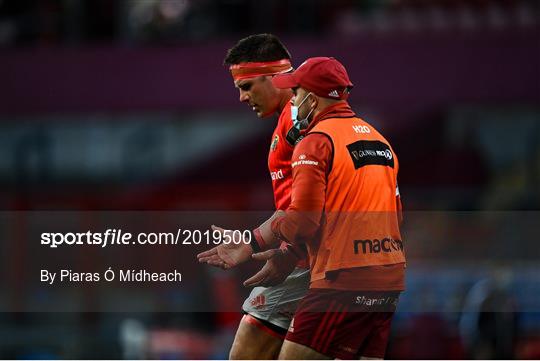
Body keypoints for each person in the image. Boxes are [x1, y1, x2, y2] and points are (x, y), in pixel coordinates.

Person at [203, 57, 407, 359]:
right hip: (390, 279)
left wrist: (254, 241)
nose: (293, 101)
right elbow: (396, 215)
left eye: (296, 93)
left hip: (342, 280)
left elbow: (303, 221)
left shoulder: (315, 142)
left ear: (312, 100)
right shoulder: (380, 141)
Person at [197, 34, 310, 360]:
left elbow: (316, 202)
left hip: (309, 262)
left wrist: (272, 248)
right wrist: (252, 242)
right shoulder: (292, 119)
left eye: (247, 86)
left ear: (276, 76)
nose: (243, 98)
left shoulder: (297, 119)